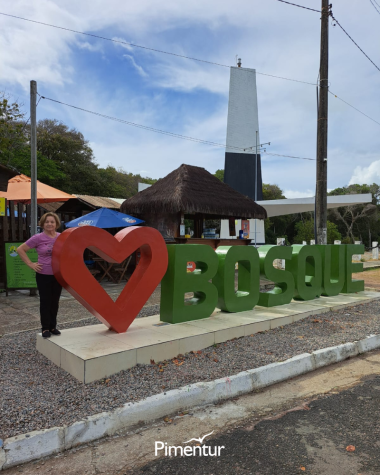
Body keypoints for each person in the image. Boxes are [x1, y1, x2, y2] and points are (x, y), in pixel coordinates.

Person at [17, 212, 62, 339]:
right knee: (45, 301)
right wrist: (30, 264)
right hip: (44, 275)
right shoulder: (38, 238)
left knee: (55, 302)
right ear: (42, 223)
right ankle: (45, 328)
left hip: (58, 275)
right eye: (47, 221)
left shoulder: (61, 237)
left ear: (56, 224)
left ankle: (53, 326)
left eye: (52, 222)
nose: (49, 224)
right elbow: (20, 249)